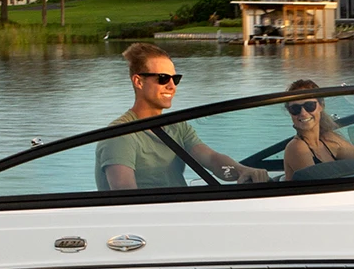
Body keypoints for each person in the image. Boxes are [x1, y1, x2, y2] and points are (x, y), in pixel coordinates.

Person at [97, 43, 269, 190]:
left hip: (179, 212)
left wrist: (241, 171)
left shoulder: (178, 127)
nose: (172, 86)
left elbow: (212, 160)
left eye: (175, 79)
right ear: (138, 82)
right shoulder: (120, 134)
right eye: (163, 78)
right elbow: (125, 193)